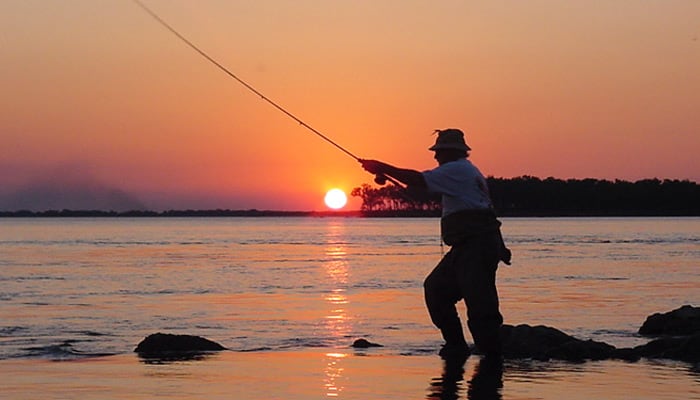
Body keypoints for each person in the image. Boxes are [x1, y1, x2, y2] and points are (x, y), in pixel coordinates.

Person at [359, 128, 510, 360]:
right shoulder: (466, 172)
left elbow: (417, 179)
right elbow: (483, 208)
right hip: (468, 246)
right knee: (436, 289)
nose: (435, 156)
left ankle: (491, 358)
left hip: (475, 246)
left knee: (480, 304)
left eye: (439, 152)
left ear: (451, 152)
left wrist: (381, 167)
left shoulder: (457, 169)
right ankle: (457, 347)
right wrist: (500, 246)